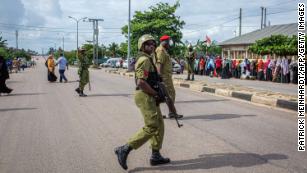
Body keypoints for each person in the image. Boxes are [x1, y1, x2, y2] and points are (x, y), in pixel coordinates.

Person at [115, 34, 170, 170]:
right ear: (142, 46)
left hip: (150, 95)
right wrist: (156, 93)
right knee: (152, 126)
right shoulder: (144, 60)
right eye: (148, 44)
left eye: (152, 44)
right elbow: (141, 83)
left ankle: (155, 155)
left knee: (159, 126)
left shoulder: (149, 58)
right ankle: (125, 149)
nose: (151, 46)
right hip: (145, 95)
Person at [155, 35, 183, 119]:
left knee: (165, 95)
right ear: (165, 42)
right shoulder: (161, 50)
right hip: (164, 76)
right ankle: (171, 112)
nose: (169, 44)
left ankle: (167, 113)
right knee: (169, 94)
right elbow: (159, 63)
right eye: (168, 41)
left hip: (166, 76)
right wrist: (159, 76)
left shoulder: (163, 50)